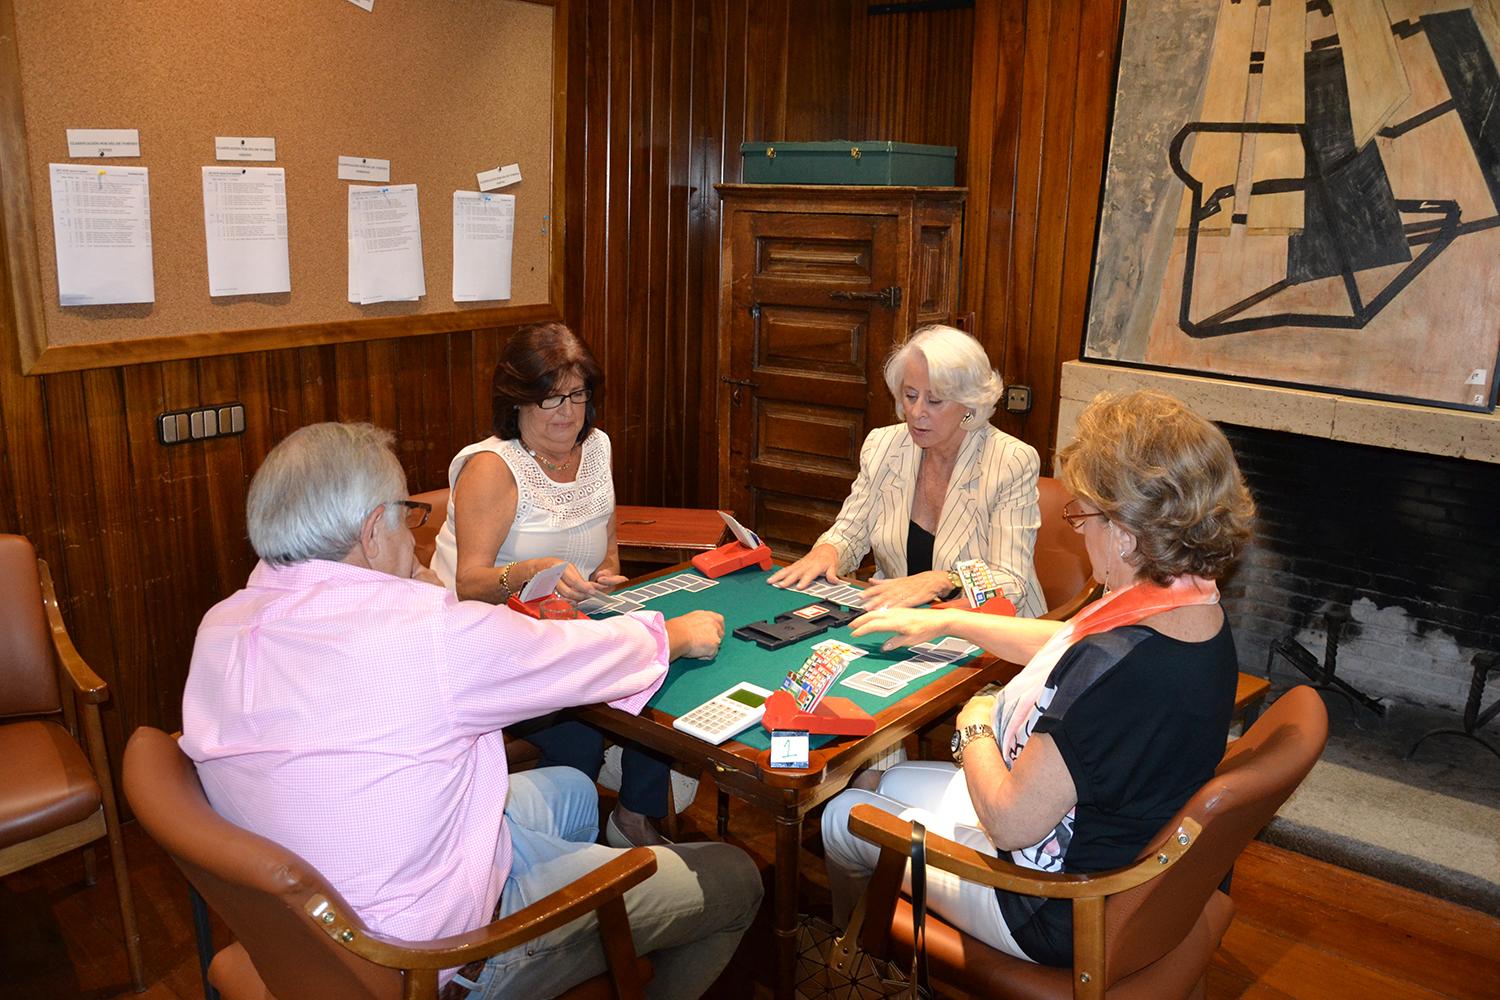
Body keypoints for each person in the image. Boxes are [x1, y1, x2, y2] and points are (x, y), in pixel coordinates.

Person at [181, 422, 762, 1000]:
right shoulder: (429, 637)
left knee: (574, 792)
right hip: (433, 953)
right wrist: (674, 635)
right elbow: (567, 657)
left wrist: (412, 585)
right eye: (407, 517)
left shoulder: (220, 625)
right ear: (369, 532)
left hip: (313, 923)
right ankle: (591, 947)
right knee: (735, 879)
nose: (418, 537)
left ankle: (601, 938)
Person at [819, 389, 1255, 967]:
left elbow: (1010, 820)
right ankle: (871, 933)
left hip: (1054, 906)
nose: (1079, 531)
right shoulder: (1191, 610)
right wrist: (950, 619)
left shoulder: (1113, 673)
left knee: (841, 815)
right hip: (1119, 853)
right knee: (874, 788)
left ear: (1125, 533)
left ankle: (861, 958)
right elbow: (1065, 643)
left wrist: (974, 721)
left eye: (1085, 514)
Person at [432, 322, 682, 848]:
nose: (567, 413)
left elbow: (606, 541)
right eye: (550, 399)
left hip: (565, 627)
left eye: (577, 395)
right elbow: (468, 583)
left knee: (663, 666)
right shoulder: (492, 467)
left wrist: (606, 576)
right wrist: (531, 572)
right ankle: (568, 850)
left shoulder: (597, 448)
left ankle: (634, 814)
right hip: (487, 637)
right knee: (580, 722)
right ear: (517, 401)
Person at [769, 324, 1044, 618]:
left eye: (934, 400)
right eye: (910, 396)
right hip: (899, 620)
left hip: (987, 632)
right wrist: (829, 551)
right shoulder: (883, 444)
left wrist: (943, 580)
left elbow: (1012, 582)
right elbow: (850, 532)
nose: (916, 412)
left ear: (970, 403)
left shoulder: (1011, 461)